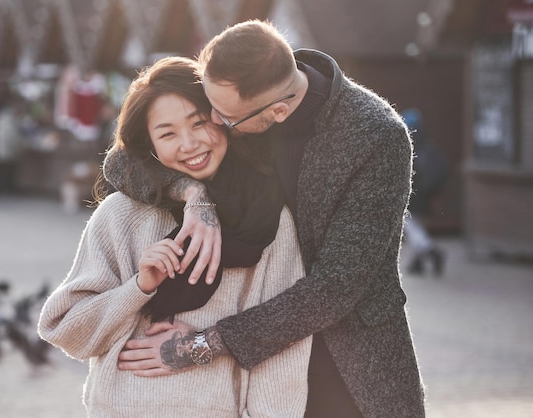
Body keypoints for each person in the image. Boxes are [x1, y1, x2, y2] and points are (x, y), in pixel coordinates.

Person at [106, 20, 425, 418]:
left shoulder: (376, 136)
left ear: (278, 111)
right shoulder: (232, 90)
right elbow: (121, 160)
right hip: (248, 363)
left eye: (222, 117)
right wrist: (193, 194)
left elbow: (337, 287)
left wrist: (203, 345)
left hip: (345, 358)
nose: (215, 124)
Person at [37, 56, 311, 417]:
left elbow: (284, 345)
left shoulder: (270, 217)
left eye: (198, 123)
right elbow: (67, 332)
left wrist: (201, 346)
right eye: (167, 133)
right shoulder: (121, 214)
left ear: (223, 118)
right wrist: (139, 286)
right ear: (148, 143)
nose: (189, 144)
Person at [401, 108, 448, 276]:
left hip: (416, 191)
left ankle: (430, 250)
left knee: (409, 224)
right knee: (415, 224)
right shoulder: (428, 144)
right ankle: (417, 262)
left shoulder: (411, 144)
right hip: (426, 191)